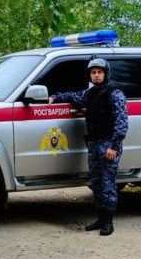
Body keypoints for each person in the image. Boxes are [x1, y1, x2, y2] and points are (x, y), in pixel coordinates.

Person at [48, 58, 128, 236]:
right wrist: (55, 97)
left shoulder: (114, 94)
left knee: (108, 184)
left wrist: (114, 146)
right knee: (96, 183)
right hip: (94, 144)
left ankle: (108, 222)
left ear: (106, 73)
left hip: (108, 145)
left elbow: (121, 123)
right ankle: (100, 218)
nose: (96, 75)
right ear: (90, 75)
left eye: (99, 72)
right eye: (93, 72)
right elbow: (73, 96)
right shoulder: (90, 94)